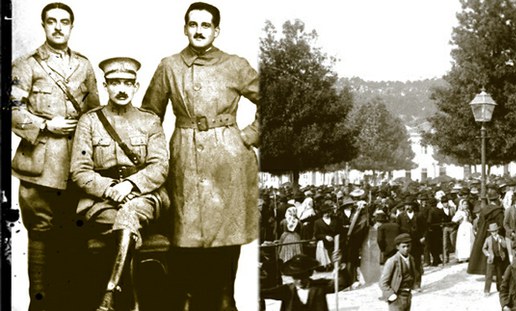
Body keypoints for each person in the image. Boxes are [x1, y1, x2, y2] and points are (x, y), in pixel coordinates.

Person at [141, 3, 261, 309]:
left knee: (225, 249)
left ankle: (225, 301)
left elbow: (275, 99)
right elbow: (149, 116)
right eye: (192, 24)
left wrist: (249, 135)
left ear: (216, 31)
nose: (198, 30)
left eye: (205, 25)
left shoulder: (235, 65)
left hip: (228, 164)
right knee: (186, 248)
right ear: (185, 29)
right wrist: (155, 157)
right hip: (184, 161)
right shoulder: (169, 66)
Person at [10, 2, 101, 309]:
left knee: (73, 241)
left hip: (75, 165)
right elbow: (11, 111)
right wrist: (46, 125)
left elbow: (94, 116)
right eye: (52, 21)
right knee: (40, 236)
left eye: (64, 22)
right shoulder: (27, 65)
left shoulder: (84, 66)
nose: (58, 27)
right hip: (39, 167)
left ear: (71, 27)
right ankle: (39, 303)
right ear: (44, 25)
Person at [70, 57, 170, 310]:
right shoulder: (90, 121)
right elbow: (79, 171)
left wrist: (131, 186)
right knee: (125, 220)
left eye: (128, 82)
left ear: (136, 86)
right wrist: (110, 189)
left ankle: (110, 293)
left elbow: (160, 167)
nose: (122, 88)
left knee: (129, 213)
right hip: (100, 201)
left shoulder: (150, 121)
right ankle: (133, 301)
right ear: (105, 85)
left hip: (145, 197)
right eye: (115, 82)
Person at [261, 252, 351, 311]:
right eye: (296, 277)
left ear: (309, 274)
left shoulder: (319, 286)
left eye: (302, 276)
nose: (299, 280)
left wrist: (339, 266)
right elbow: (263, 293)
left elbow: (343, 283)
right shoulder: (287, 290)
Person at [380, 233, 423, 311]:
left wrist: (416, 286)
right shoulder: (392, 261)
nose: (406, 249)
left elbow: (414, 274)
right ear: (397, 247)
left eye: (408, 246)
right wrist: (391, 294)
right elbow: (383, 282)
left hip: (408, 295)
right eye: (403, 246)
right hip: (396, 296)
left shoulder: (411, 259)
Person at [395, 200, 425, 291]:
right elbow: (398, 229)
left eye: (409, 205)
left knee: (416, 263)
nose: (408, 207)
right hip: (405, 243)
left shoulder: (419, 215)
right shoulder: (400, 216)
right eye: (406, 205)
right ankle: (407, 284)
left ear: (413, 206)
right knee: (406, 264)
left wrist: (424, 237)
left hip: (417, 243)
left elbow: (425, 228)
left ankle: (417, 284)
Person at [482, 223, 509, 296]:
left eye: (495, 231)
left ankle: (500, 289)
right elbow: (484, 248)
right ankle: (486, 291)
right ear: (490, 232)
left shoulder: (501, 237)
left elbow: (505, 246)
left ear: (497, 231)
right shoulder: (488, 239)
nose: (494, 233)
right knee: (489, 275)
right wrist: (487, 254)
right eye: (492, 231)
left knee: (499, 275)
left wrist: (500, 241)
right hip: (491, 259)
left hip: (499, 258)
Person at [452, 198, 475, 263]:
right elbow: (454, 219)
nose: (466, 205)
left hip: (469, 226)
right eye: (464, 204)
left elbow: (470, 219)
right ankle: (461, 256)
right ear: (461, 205)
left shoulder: (468, 211)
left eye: (466, 204)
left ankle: (469, 255)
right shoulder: (460, 212)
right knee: (463, 241)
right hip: (463, 227)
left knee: (469, 241)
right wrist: (460, 220)